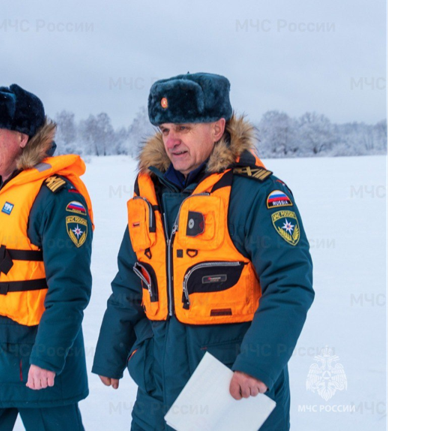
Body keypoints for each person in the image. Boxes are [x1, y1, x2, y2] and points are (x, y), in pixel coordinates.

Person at [92, 73, 314, 430]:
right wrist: (113, 352)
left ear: (217, 127)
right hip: (157, 389)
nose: (172, 141)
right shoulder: (151, 196)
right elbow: (130, 279)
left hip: (232, 390)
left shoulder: (257, 194)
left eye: (183, 127)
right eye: (165, 130)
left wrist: (255, 365)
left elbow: (290, 284)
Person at [0, 84, 94, 431]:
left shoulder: (56, 196)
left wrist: (47, 357)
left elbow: (70, 288)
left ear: (22, 137)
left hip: (39, 366)